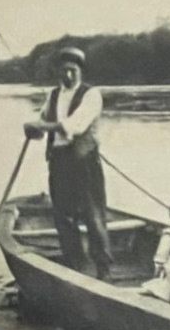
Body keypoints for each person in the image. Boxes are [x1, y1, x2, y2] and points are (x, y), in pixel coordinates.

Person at [24, 46, 112, 279]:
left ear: (80, 71)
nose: (69, 76)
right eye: (65, 71)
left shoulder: (91, 95)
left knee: (94, 216)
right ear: (58, 72)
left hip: (85, 162)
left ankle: (103, 268)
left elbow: (74, 126)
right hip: (59, 162)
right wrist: (32, 129)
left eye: (73, 70)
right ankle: (75, 266)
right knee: (63, 217)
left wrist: (41, 125)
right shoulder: (52, 95)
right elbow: (42, 127)